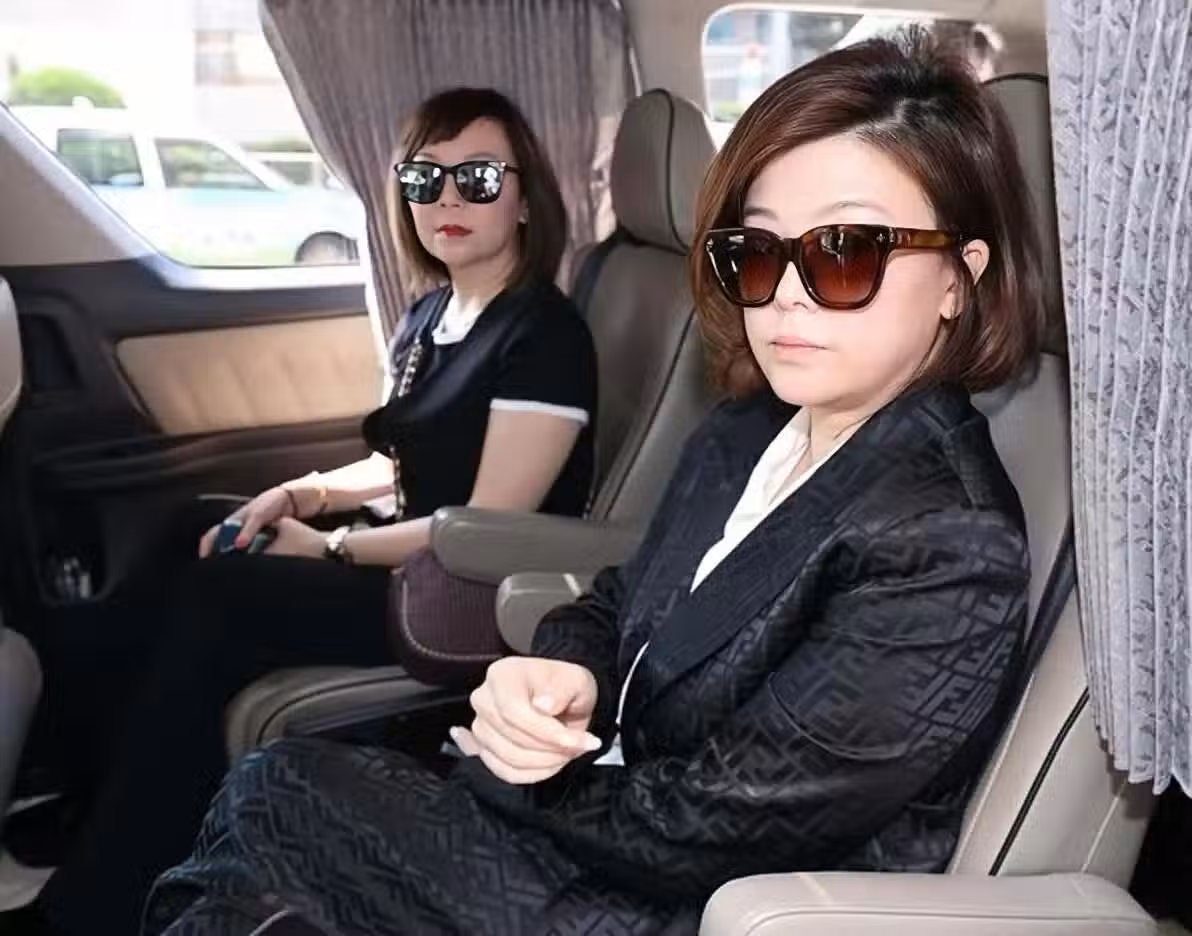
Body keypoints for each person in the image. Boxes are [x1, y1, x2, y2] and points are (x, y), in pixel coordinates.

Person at [146, 28, 1045, 936]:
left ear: (957, 281)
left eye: (845, 250)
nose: (785, 293)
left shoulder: (945, 539)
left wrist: (502, 773)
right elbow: (619, 599)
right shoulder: (748, 430)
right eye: (757, 251)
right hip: (611, 823)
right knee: (256, 856)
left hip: (694, 906)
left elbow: (713, 829)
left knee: (274, 794)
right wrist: (560, 669)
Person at [12, 88, 597, 936]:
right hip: (409, 561)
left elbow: (483, 523)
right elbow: (403, 463)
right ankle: (93, 799)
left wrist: (325, 552)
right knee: (192, 529)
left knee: (225, 595)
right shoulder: (433, 313)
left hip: (466, 595)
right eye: (424, 178)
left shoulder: (545, 335)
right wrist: (300, 496)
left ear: (525, 197)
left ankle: (92, 907)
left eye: (477, 178)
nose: (447, 198)